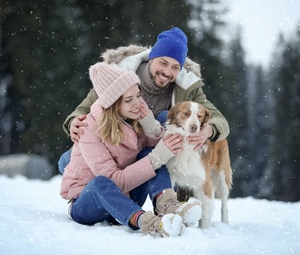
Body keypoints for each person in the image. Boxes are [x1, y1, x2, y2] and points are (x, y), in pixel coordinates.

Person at [60, 27, 229, 175]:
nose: (167, 72)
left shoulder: (187, 88)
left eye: (175, 67)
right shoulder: (121, 74)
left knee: (166, 116)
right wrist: (73, 121)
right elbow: (85, 107)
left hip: (154, 147)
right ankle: (96, 193)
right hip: (116, 143)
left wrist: (209, 131)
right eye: (163, 63)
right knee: (66, 162)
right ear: (151, 58)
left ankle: (167, 196)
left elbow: (219, 120)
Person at [60, 62, 202, 237]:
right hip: (89, 203)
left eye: (138, 95)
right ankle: (150, 223)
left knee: (148, 154)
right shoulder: (88, 129)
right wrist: (157, 157)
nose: (138, 103)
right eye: (128, 100)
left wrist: (152, 128)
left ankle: (170, 208)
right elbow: (114, 181)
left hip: (127, 199)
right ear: (112, 104)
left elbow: (153, 151)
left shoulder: (135, 114)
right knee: (101, 183)